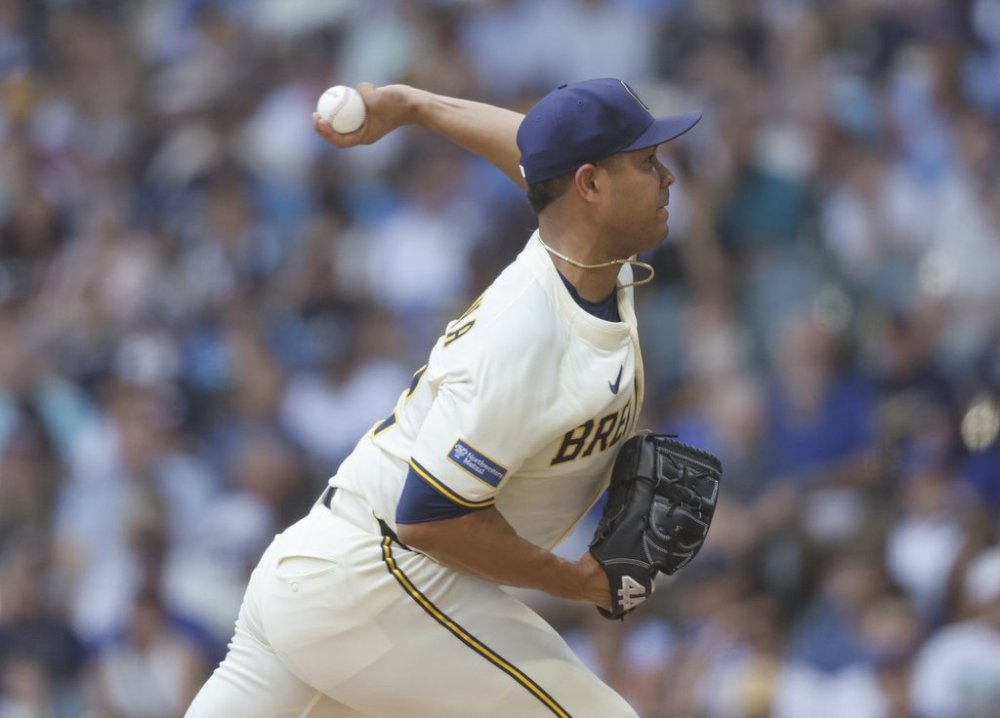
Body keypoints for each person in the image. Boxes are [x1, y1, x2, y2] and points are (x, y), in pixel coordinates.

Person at [184, 77, 701, 718]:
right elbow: (429, 518)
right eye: (648, 162)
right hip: (376, 583)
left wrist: (416, 106)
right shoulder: (524, 336)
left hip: (322, 579)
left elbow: (538, 155)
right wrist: (579, 580)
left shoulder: (585, 246)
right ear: (592, 187)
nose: (668, 177)